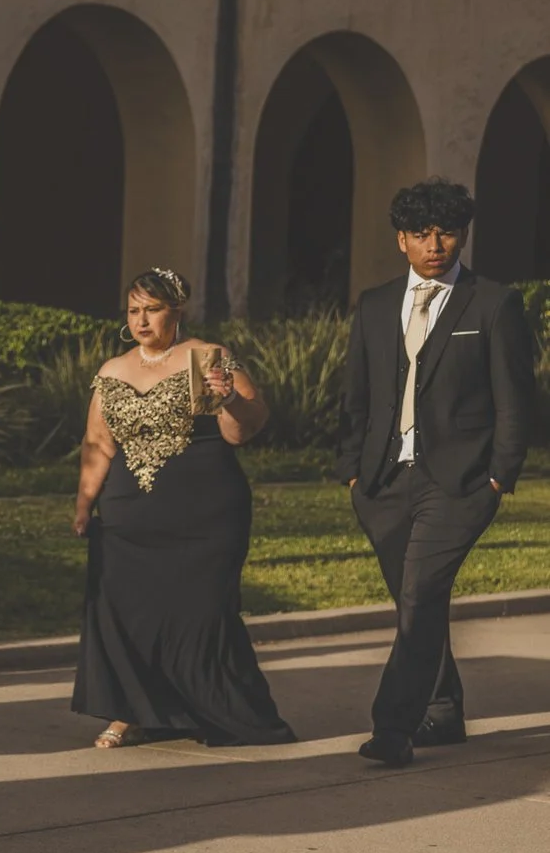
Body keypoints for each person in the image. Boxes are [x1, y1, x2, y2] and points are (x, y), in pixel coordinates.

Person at [337, 177, 534, 766]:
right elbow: (356, 397)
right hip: (381, 483)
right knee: (414, 604)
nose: (435, 244)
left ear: (463, 235)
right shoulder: (373, 306)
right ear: (401, 240)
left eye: (446, 231)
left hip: (461, 482)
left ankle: (392, 729)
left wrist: (500, 475)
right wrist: (351, 470)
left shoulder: (494, 304)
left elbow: (515, 400)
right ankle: (444, 713)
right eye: (421, 233)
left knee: (420, 598)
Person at [71, 268, 294, 749]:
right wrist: (84, 504)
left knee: (202, 613)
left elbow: (245, 430)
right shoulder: (112, 370)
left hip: (206, 511)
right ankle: (130, 712)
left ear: (176, 310)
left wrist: (229, 396)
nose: (141, 320)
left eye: (152, 309)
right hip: (129, 515)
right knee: (126, 611)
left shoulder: (208, 358)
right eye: (134, 311)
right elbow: (98, 443)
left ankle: (218, 711)